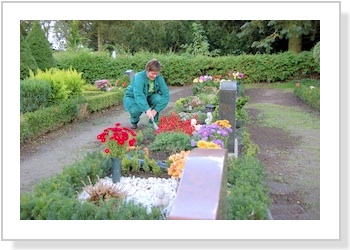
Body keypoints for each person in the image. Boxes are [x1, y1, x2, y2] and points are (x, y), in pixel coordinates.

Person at [123, 59, 170, 129]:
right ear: (147, 70)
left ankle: (152, 124)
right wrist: (147, 109)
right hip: (133, 97)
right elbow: (139, 95)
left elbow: (166, 95)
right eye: (153, 73)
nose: (155, 76)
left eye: (157, 74)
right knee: (135, 110)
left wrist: (155, 110)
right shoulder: (138, 77)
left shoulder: (159, 78)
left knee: (158, 98)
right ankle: (134, 121)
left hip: (148, 96)